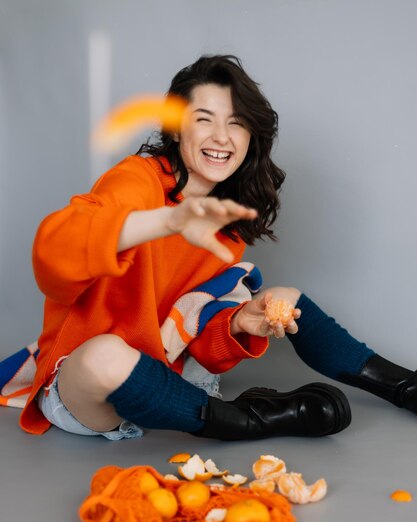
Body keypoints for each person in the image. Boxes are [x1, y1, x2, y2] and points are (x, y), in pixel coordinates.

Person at [22, 55, 416, 441]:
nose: (221, 137)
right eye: (203, 120)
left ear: (250, 137)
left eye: (236, 123)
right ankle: (248, 420)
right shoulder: (136, 181)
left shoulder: (225, 222)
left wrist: (239, 322)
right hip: (91, 389)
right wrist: (167, 220)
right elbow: (54, 252)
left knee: (284, 297)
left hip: (167, 373)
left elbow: (197, 336)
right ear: (176, 130)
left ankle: (404, 387)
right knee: (102, 356)